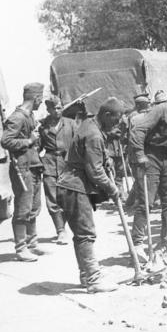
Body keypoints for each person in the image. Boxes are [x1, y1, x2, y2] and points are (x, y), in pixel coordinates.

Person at [57, 98, 124, 293]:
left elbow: (95, 155)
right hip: (75, 187)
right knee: (86, 233)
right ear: (107, 115)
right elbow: (95, 171)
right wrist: (112, 188)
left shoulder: (90, 124)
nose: (117, 124)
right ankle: (94, 279)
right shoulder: (94, 134)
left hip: (71, 185)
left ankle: (86, 275)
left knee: (81, 234)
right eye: (116, 119)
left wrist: (107, 159)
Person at [129, 78, 167, 258]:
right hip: (151, 157)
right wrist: (140, 155)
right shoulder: (161, 109)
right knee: (146, 202)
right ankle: (138, 244)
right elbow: (138, 131)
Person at [0, 82, 46, 262]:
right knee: (23, 209)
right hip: (22, 169)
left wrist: (37, 139)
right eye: (40, 100)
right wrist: (28, 141)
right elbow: (6, 141)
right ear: (36, 98)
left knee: (34, 208)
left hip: (33, 166)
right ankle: (21, 248)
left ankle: (32, 244)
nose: (40, 103)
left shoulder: (29, 116)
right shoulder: (17, 117)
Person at [37, 95, 78, 245]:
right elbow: (38, 147)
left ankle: (70, 227)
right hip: (49, 164)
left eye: (59, 107)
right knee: (52, 200)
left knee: (69, 199)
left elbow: (79, 144)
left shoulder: (71, 124)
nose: (57, 110)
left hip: (68, 164)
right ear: (48, 110)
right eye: (53, 108)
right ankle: (60, 231)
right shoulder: (42, 127)